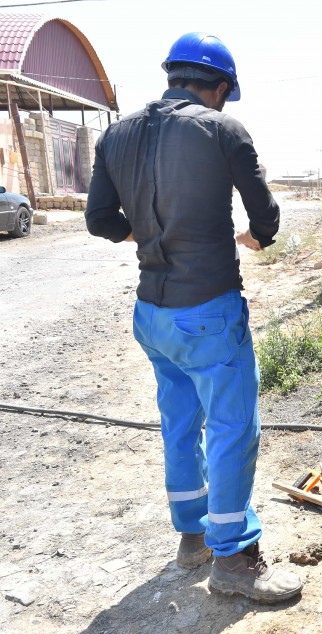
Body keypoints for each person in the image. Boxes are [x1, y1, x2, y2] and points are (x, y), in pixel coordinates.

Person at [85, 32, 302, 604]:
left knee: (180, 422)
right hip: (206, 312)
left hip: (152, 314)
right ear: (221, 87)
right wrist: (254, 239)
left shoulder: (117, 132)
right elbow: (266, 216)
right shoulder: (220, 128)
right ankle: (233, 558)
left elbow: (100, 219)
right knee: (233, 429)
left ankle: (192, 536)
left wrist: (152, 237)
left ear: (172, 75)